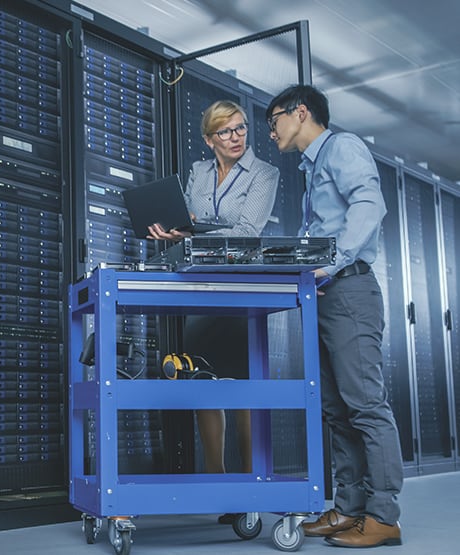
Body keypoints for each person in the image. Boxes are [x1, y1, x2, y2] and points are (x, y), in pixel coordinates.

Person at [265, 84, 403, 548]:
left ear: (300, 113)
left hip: (350, 291)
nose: (271, 132)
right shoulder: (312, 168)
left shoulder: (342, 147)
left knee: (366, 406)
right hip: (325, 294)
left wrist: (334, 260)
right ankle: (349, 507)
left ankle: (384, 516)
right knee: (336, 409)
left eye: (274, 121)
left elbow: (369, 205)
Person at [148, 100, 279, 521]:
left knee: (240, 388)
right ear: (209, 139)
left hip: (241, 290)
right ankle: (217, 480)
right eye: (226, 131)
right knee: (205, 383)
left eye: (240, 128)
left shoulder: (264, 173)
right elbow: (184, 222)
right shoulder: (199, 173)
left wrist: (193, 228)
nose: (237, 137)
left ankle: (247, 486)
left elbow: (247, 232)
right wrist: (171, 231)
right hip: (200, 289)